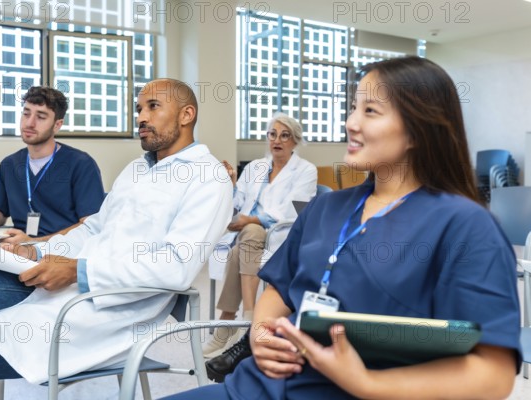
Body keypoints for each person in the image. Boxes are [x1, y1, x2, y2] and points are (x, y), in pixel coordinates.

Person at [164, 57, 521, 399]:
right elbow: (279, 289)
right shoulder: (327, 207)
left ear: (418, 130)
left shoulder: (465, 226)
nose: (351, 122)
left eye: (370, 111)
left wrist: (367, 385)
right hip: (254, 388)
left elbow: (494, 373)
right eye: (353, 108)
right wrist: (260, 333)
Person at [0, 78, 233, 399]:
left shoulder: (208, 178)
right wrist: (36, 251)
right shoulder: (136, 170)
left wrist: (78, 270)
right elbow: (92, 229)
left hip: (109, 312)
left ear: (186, 115)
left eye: (153, 107)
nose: (141, 117)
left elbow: (176, 267)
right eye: (139, 109)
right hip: (64, 285)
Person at [203, 113, 317, 359]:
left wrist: (251, 220)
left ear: (295, 141)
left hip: (280, 235)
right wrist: (230, 184)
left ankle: (235, 323)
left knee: (251, 233)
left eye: (285, 135)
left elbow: (293, 212)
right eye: (272, 134)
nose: (277, 140)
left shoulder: (306, 171)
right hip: (246, 237)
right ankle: (237, 324)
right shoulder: (255, 167)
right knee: (242, 245)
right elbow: (237, 202)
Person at [0, 86, 105, 260]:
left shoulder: (81, 164)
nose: (29, 123)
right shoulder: (10, 164)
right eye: (26, 114)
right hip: (16, 249)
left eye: (40, 117)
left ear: (57, 125)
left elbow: (90, 226)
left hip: (56, 257)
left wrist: (34, 243)